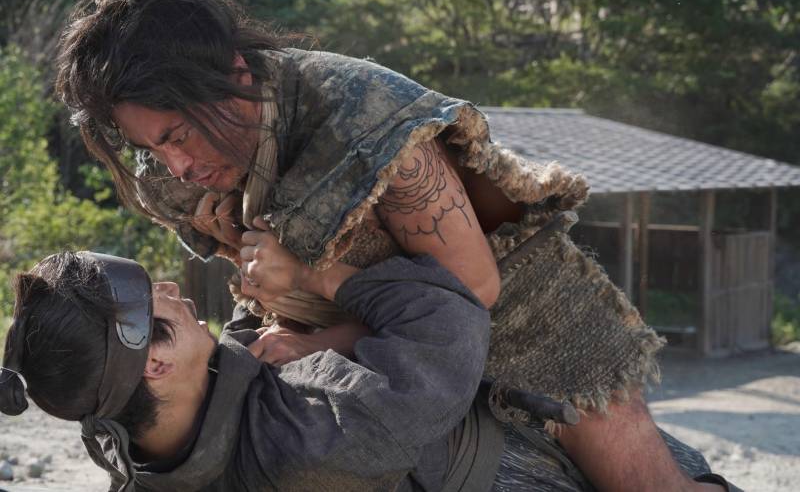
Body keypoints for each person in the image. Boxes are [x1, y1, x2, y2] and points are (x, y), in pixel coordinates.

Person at [54, 0, 737, 490]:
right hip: (364, 335)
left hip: (523, 319)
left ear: (234, 74)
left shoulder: (362, 117)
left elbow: (471, 291)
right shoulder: (181, 168)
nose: (175, 164)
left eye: (177, 135)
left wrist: (321, 326)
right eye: (152, 147)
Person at [0, 249, 731, 491]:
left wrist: (269, 322)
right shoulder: (311, 440)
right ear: (156, 363)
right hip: (516, 468)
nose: (167, 287)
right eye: (149, 298)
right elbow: (449, 323)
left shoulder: (129, 432)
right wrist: (314, 277)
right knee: (605, 405)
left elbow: (230, 377)